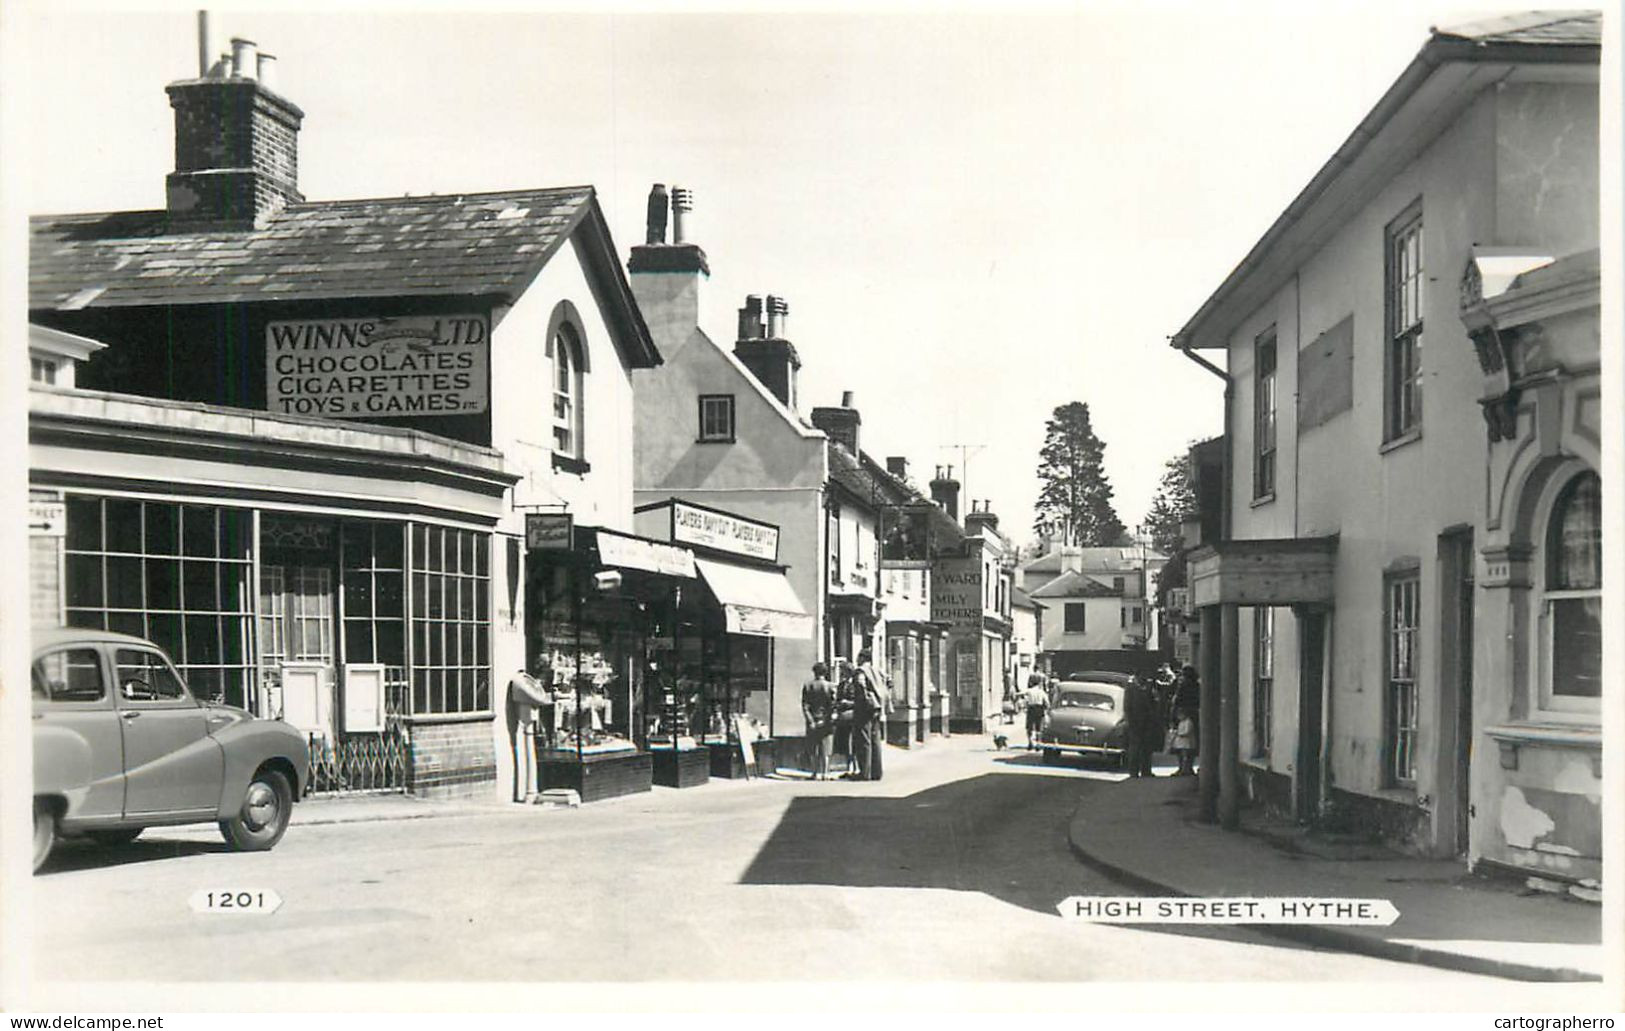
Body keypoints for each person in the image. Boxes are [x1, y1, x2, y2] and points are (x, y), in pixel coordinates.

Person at [505, 667, 553, 802]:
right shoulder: (519, 684)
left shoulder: (522, 684)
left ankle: (531, 791)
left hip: (527, 718)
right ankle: (530, 792)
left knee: (529, 736)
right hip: (525, 720)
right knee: (528, 736)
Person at [851, 648, 888, 781]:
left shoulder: (860, 671)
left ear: (862, 658)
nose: (856, 660)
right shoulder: (877, 671)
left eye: (858, 657)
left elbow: (860, 686)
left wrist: (864, 700)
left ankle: (864, 772)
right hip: (878, 707)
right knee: (875, 740)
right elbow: (889, 682)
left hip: (865, 708)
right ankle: (877, 772)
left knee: (864, 740)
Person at [801, 662, 836, 780]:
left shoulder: (808, 686)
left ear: (814, 672)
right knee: (826, 748)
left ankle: (814, 773)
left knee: (813, 748)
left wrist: (810, 721)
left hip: (813, 720)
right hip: (826, 721)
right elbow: (832, 705)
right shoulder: (831, 686)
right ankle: (825, 773)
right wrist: (826, 719)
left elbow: (805, 706)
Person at [1123, 674, 1157, 778]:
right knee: (1136, 747)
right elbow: (1127, 706)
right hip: (1136, 721)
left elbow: (1154, 703)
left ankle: (1143, 771)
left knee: (1144, 747)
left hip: (1145, 721)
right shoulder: (1132, 689)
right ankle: (1136, 771)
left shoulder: (1146, 688)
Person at [1022, 674, 1050, 751]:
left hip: (1031, 709)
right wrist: (1046, 709)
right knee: (1039, 727)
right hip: (1039, 709)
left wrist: (1025, 705)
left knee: (1029, 727)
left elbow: (1023, 697)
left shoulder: (1029, 691)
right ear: (1039, 683)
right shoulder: (1042, 692)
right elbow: (1047, 702)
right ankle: (1038, 743)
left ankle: (1030, 742)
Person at [1171, 706, 1198, 776]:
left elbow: (1187, 731)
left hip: (1187, 743)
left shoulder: (1188, 722)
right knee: (1181, 757)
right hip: (1180, 744)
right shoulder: (1181, 723)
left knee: (1186, 757)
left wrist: (1179, 734)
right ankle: (1181, 769)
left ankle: (1185, 770)